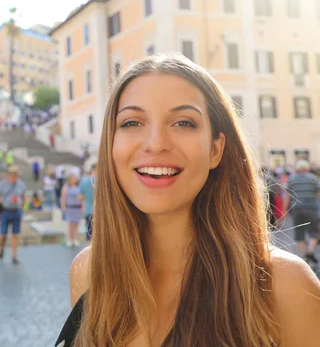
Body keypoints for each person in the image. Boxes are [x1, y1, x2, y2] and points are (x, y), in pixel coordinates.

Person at [56, 55, 320, 347]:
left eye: (183, 123)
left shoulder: (287, 287)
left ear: (215, 150)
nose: (155, 143)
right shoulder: (89, 272)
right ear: (110, 144)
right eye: (132, 122)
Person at [284, 159, 320, 264]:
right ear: (307, 168)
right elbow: (318, 195)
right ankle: (310, 251)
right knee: (314, 232)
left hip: (297, 209)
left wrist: (285, 210)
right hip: (311, 208)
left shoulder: (292, 179)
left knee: (299, 233)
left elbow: (287, 196)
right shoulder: (314, 179)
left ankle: (304, 255)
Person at [0, 165, 26, 264]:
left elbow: (24, 197)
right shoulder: (3, 184)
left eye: (16, 175)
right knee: (3, 235)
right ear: (9, 175)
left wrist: (22, 208)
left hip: (16, 211)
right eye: (12, 175)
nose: (14, 177)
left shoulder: (21, 184)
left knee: (15, 234)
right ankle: (2, 248)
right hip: (5, 211)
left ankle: (14, 256)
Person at [61, 171, 82, 248]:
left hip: (77, 207)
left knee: (76, 224)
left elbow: (81, 198)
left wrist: (82, 206)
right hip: (70, 207)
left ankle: (75, 239)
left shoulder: (79, 187)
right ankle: (70, 239)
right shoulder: (66, 187)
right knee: (70, 224)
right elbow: (63, 197)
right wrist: (63, 206)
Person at [78, 164, 96, 242]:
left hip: (88, 209)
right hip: (100, 211)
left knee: (89, 234)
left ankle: (90, 252)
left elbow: (80, 197)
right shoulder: (103, 181)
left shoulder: (84, 181)